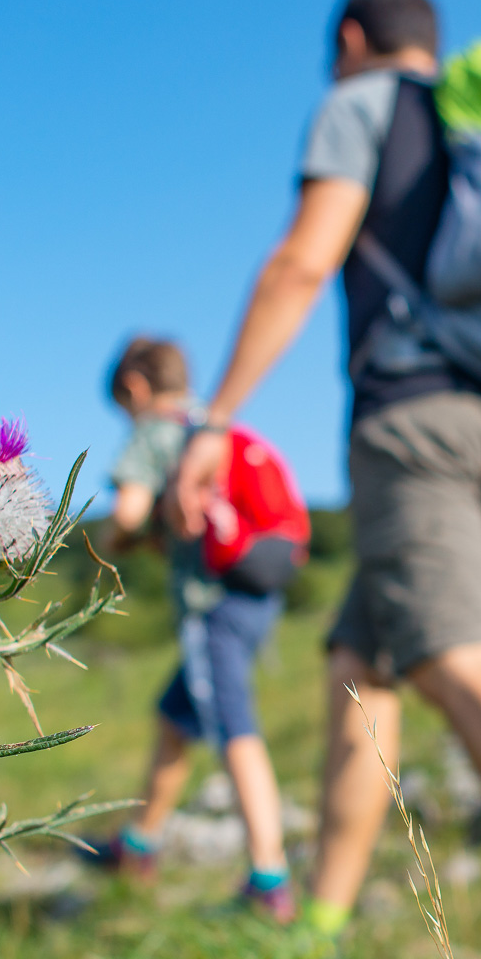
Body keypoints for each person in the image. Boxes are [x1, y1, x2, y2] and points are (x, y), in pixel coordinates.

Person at [167, 0, 481, 958]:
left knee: (451, 653)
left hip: (415, 431)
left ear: (352, 40)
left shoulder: (363, 106)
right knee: (363, 666)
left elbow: (305, 262)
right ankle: (320, 921)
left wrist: (215, 419)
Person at [86, 335, 297, 923]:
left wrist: (115, 539)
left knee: (234, 725)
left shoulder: (155, 431)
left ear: (134, 388)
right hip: (258, 592)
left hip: (211, 603)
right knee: (175, 717)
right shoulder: (213, 423)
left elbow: (126, 515)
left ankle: (269, 880)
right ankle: (138, 845)